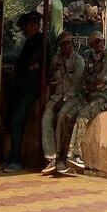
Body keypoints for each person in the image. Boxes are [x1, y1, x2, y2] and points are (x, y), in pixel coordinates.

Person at [58, 31, 107, 171]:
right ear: (91, 45)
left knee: (83, 115)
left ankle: (76, 154)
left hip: (104, 97)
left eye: (100, 41)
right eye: (95, 42)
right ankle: (64, 157)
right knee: (69, 115)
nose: (98, 44)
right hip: (89, 95)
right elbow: (85, 80)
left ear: (103, 42)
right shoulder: (90, 57)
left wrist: (93, 82)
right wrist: (92, 83)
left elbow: (102, 80)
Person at [2, 11, 45, 173]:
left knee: (17, 119)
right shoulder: (29, 42)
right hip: (21, 86)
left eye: (29, 26)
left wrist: (26, 67)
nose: (27, 30)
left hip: (31, 88)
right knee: (10, 119)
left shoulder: (41, 41)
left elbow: (29, 63)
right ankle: (10, 157)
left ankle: (15, 160)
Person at [41, 31, 84, 174]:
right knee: (46, 118)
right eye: (63, 44)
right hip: (57, 96)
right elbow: (50, 77)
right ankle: (51, 157)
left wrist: (64, 98)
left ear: (73, 44)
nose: (66, 46)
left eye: (68, 43)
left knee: (61, 117)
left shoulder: (79, 61)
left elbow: (76, 85)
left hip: (72, 97)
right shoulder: (56, 59)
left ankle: (60, 155)